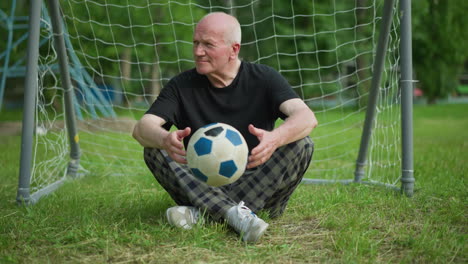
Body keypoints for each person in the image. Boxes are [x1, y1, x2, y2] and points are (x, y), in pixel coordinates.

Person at [133, 12, 317, 243]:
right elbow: (142, 128)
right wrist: (163, 138)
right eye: (196, 43)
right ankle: (235, 214)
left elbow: (306, 117)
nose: (198, 51)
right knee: (153, 147)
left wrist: (275, 138)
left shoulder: (265, 78)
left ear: (234, 49)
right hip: (202, 181)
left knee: (302, 144)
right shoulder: (181, 85)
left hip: (259, 182)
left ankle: (203, 214)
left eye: (208, 44)